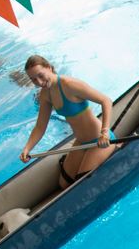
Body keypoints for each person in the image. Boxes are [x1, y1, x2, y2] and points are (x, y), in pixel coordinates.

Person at [19, 55, 116, 188]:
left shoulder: (70, 84)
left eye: (41, 75)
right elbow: (40, 127)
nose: (39, 82)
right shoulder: (45, 94)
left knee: (81, 185)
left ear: (49, 68)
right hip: (81, 142)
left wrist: (104, 133)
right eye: (34, 79)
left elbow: (106, 101)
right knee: (64, 184)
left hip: (100, 141)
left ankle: (113, 150)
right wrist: (27, 148)